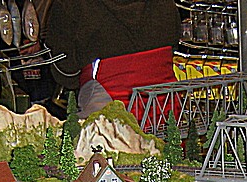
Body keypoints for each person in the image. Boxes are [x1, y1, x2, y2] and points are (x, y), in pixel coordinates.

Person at [46, 0, 181, 117]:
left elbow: (65, 72)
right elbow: (174, 45)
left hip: (108, 124)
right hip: (166, 114)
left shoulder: (70, 5)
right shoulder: (166, 4)